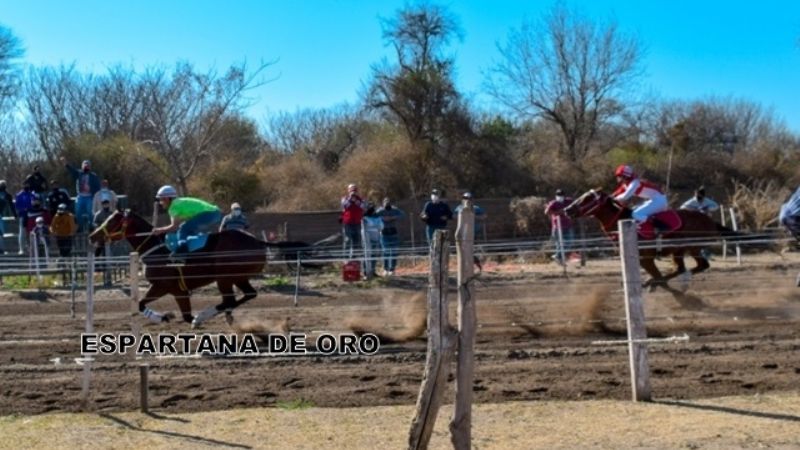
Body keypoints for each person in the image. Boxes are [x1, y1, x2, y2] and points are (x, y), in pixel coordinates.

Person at [151, 185, 222, 261]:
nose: (160, 203)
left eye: (161, 200)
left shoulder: (173, 206)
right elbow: (177, 225)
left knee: (183, 229)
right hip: (215, 213)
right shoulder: (178, 203)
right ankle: (194, 252)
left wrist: (159, 230)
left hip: (209, 213)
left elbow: (174, 226)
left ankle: (181, 253)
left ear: (168, 199)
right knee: (186, 229)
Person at [611, 164, 668, 229]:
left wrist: (615, 199)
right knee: (633, 210)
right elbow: (618, 192)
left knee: (635, 214)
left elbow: (625, 196)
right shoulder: (627, 183)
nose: (618, 178)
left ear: (625, 176)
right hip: (655, 200)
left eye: (619, 176)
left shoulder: (635, 183)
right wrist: (611, 196)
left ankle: (660, 226)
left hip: (659, 201)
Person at [62, 157, 101, 232]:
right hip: (80, 196)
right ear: (82, 166)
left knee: (90, 213)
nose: (86, 166)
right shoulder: (79, 173)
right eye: (85, 165)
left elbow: (98, 187)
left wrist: (97, 196)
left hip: (89, 197)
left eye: (87, 165)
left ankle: (91, 227)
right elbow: (71, 170)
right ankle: (80, 227)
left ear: (90, 167)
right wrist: (66, 164)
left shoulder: (93, 175)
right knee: (78, 212)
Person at [544, 189, 576, 264]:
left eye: (561, 195)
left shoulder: (568, 201)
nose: (560, 197)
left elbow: (575, 204)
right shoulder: (554, 203)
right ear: (556, 196)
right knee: (559, 244)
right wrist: (559, 212)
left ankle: (557, 256)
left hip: (568, 226)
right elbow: (546, 212)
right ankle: (560, 259)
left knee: (570, 242)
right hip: (557, 227)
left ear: (564, 195)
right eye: (558, 195)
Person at [377, 197, 405, 276]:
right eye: (385, 203)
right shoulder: (380, 210)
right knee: (385, 252)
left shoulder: (394, 210)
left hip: (393, 231)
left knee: (394, 252)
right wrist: (383, 218)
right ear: (383, 204)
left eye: (388, 203)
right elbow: (374, 216)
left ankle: (392, 269)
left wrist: (393, 217)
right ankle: (385, 269)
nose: (387, 205)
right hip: (384, 232)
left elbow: (403, 215)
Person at [340, 184, 365, 259]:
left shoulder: (360, 199)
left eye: (354, 190)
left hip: (357, 222)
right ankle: (346, 257)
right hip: (348, 223)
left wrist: (356, 201)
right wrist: (350, 199)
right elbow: (344, 206)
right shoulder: (345, 198)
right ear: (348, 191)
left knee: (356, 240)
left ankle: (355, 256)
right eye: (351, 190)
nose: (353, 192)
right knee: (347, 240)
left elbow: (363, 207)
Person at [362, 203, 383, 279]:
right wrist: (375, 226)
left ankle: (373, 271)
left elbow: (381, 226)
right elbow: (364, 228)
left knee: (374, 255)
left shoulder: (378, 218)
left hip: (376, 238)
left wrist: (374, 226)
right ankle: (365, 272)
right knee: (367, 255)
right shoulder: (364, 218)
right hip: (367, 240)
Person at [14, 183, 36, 255]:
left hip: (31, 215)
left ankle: (31, 248)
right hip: (23, 216)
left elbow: (35, 204)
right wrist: (23, 210)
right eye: (25, 185)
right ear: (22, 186)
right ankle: (21, 249)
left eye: (27, 185)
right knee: (22, 232)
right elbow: (17, 206)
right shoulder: (19, 195)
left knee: (31, 232)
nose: (26, 186)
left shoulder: (32, 194)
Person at [0, 180, 18, 255]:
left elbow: (11, 205)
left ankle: (1, 248)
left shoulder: (7, 195)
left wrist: (15, 215)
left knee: (1, 233)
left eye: (3, 185)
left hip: (0, 214)